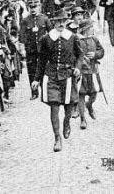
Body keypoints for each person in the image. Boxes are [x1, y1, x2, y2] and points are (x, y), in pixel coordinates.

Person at [31, 9, 84, 152]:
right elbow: (41, 60)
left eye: (63, 21)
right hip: (51, 76)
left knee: (68, 108)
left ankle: (67, 122)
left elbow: (80, 55)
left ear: (67, 22)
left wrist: (78, 67)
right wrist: (36, 79)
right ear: (53, 22)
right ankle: (57, 138)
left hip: (67, 75)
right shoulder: (46, 39)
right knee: (54, 107)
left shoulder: (73, 37)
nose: (61, 24)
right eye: (58, 21)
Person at [19, 0, 52, 99]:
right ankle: (34, 92)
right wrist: (23, 49)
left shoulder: (44, 18)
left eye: (35, 7)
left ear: (39, 7)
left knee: (44, 68)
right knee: (32, 70)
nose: (33, 9)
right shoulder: (25, 20)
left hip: (43, 49)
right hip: (31, 49)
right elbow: (22, 35)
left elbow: (50, 32)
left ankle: (43, 89)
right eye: (31, 7)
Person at [76, 19, 104, 130]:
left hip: (92, 70)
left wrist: (96, 54)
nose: (93, 29)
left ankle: (90, 105)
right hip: (81, 72)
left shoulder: (94, 39)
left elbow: (101, 51)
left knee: (94, 92)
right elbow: (73, 54)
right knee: (81, 94)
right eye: (91, 27)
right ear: (86, 29)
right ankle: (83, 119)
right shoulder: (77, 40)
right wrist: (80, 60)